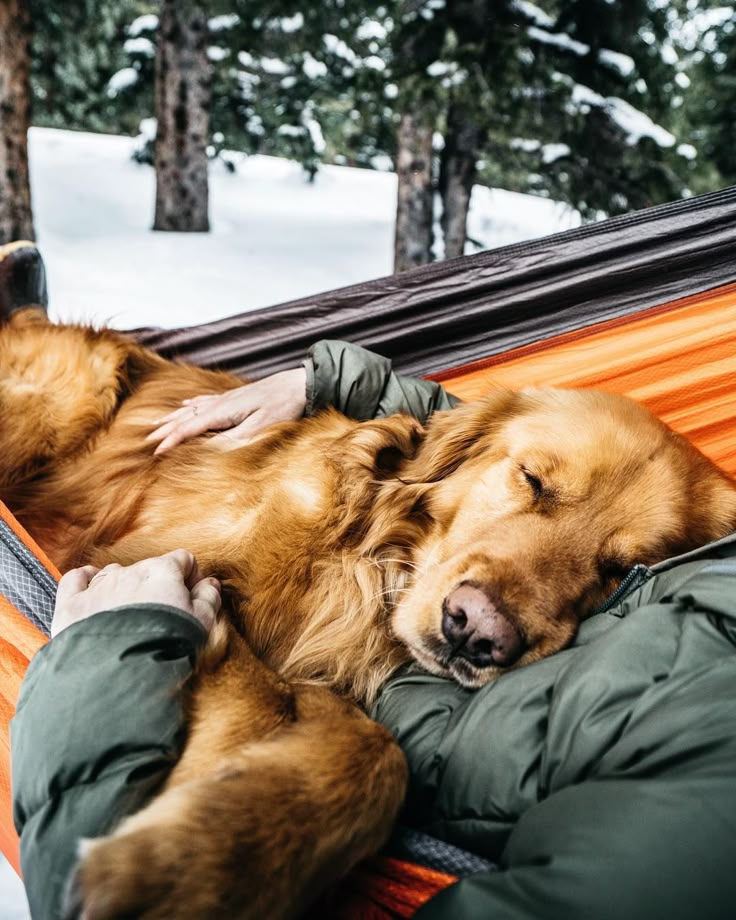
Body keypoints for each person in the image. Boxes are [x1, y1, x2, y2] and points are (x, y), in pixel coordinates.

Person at [7, 244, 736, 919]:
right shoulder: (343, 488)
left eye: (614, 568)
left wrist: (351, 776)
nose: (487, 617)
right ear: (457, 458)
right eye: (533, 485)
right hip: (87, 400)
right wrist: (324, 378)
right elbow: (145, 576)